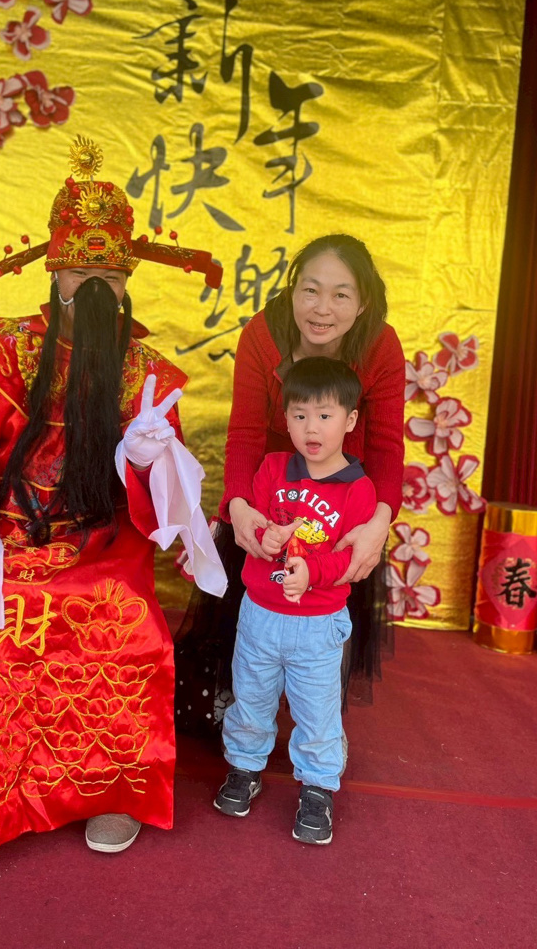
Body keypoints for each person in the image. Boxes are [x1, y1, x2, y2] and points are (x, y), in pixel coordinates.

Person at [0, 136, 226, 855]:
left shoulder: (144, 374)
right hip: (5, 542)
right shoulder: (3, 351)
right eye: (80, 274)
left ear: (127, 281)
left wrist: (148, 458)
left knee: (122, 626)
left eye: (108, 276)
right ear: (54, 274)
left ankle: (110, 790)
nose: (94, 290)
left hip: (102, 546)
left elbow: (162, 507)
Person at [175, 234, 404, 734]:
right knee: (244, 612)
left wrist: (378, 523)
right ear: (293, 290)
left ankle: (318, 729)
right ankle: (238, 715)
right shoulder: (263, 335)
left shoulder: (380, 346)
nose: (322, 309)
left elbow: (387, 446)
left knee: (323, 619)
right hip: (269, 495)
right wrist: (238, 505)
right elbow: (245, 432)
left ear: (363, 303)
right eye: (310, 290)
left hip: (340, 503)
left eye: (341, 295)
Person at [213, 357, 376, 845]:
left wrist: (313, 572)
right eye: (300, 415)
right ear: (284, 418)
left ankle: (319, 786)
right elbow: (256, 523)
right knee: (250, 698)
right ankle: (245, 768)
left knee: (317, 710)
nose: (311, 428)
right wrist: (266, 537)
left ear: (350, 419)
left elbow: (349, 559)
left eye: (325, 416)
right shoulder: (272, 467)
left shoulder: (359, 490)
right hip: (260, 615)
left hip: (317, 622)